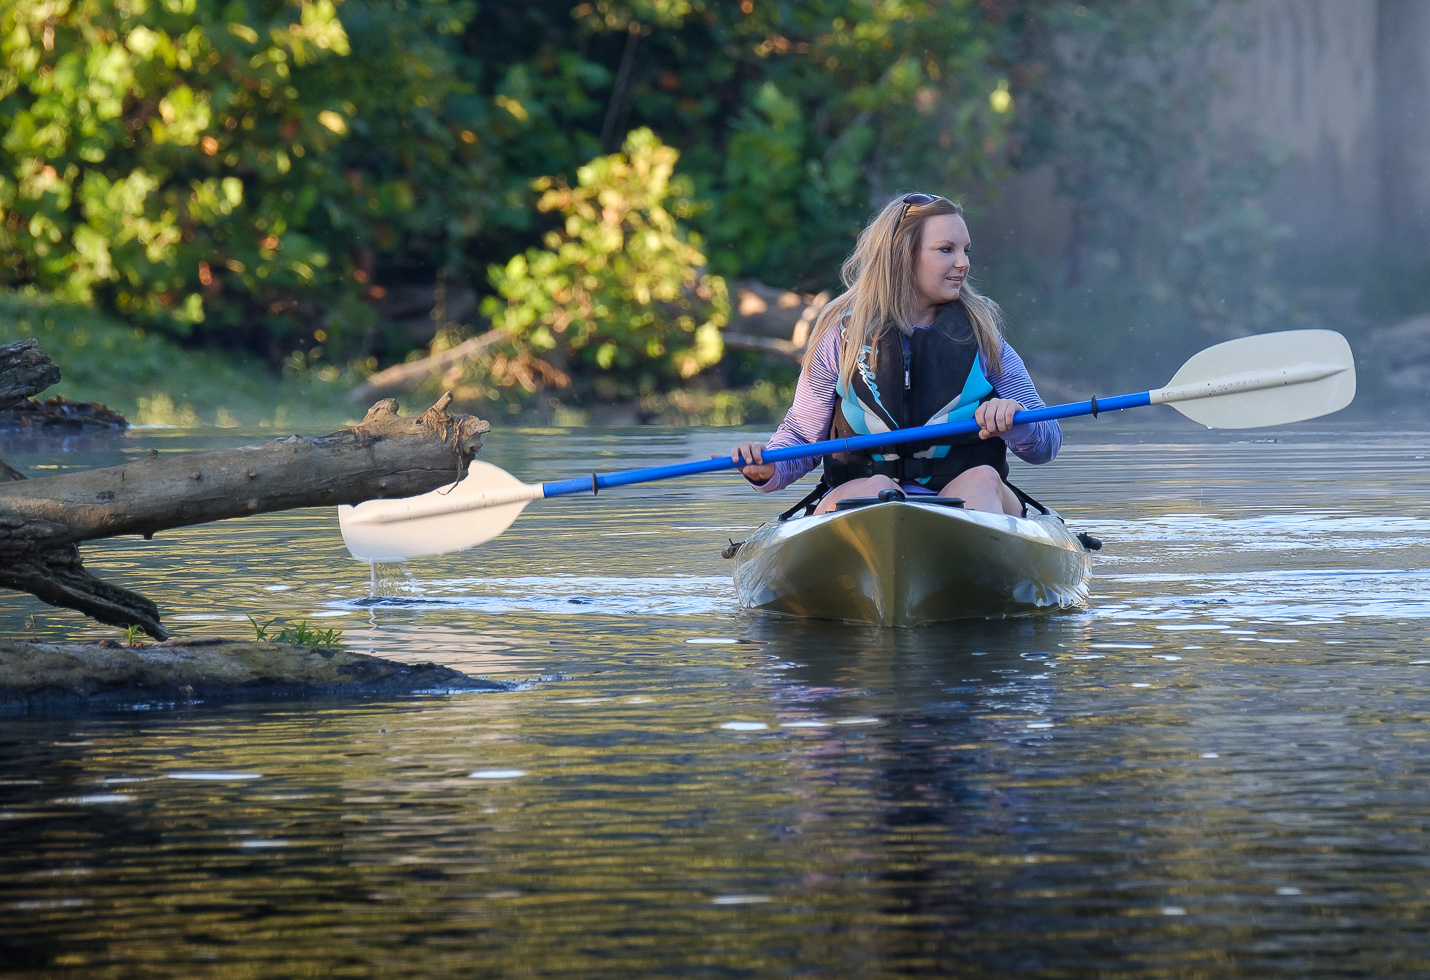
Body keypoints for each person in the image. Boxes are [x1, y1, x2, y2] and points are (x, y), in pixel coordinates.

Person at [730, 193, 1059, 516]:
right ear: (903, 254)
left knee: (982, 478)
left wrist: (1015, 420)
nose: (964, 263)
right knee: (876, 489)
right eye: (946, 250)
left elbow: (1047, 442)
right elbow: (802, 435)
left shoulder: (983, 336)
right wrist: (767, 466)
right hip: (867, 498)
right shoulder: (838, 334)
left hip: (964, 496)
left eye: (965, 250)